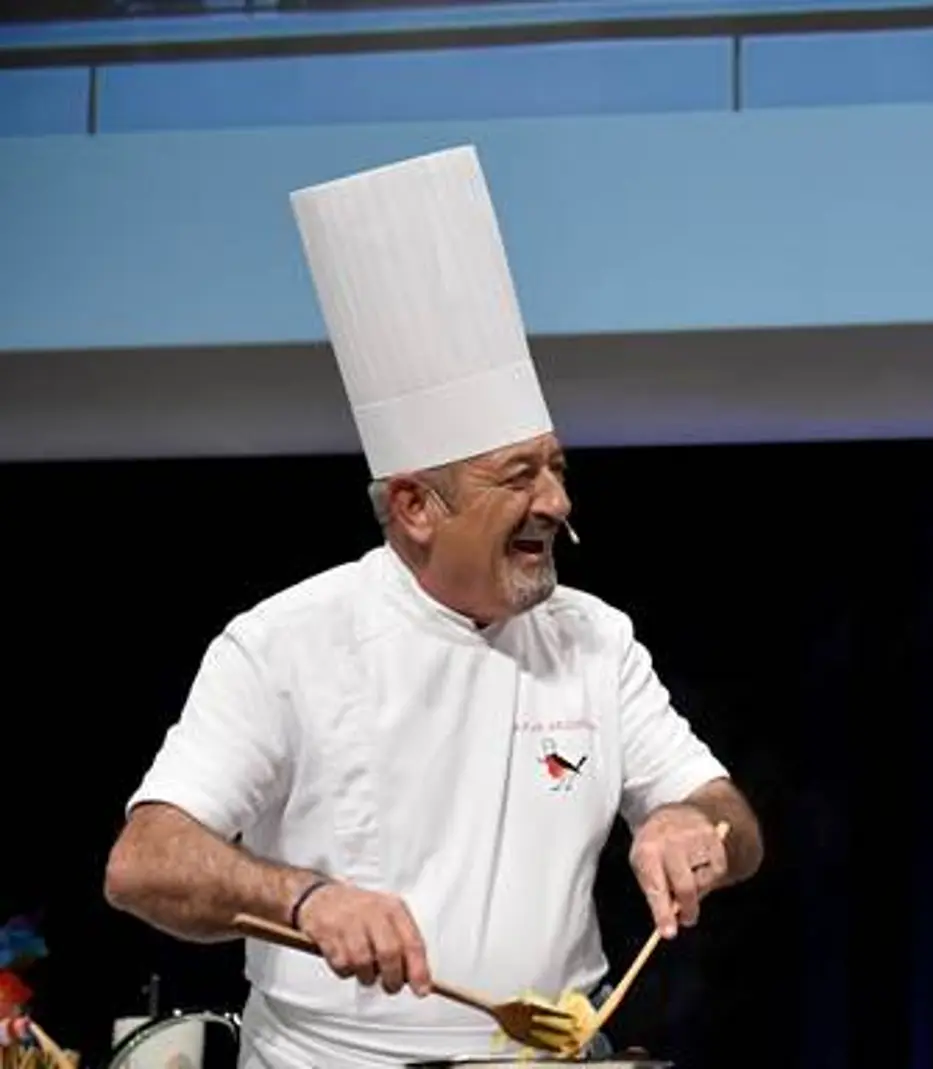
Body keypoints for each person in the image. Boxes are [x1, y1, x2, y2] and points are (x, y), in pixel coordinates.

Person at [102, 145, 763, 1069]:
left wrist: (695, 828)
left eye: (559, 468)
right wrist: (306, 899)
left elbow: (727, 811)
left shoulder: (596, 640)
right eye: (519, 476)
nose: (558, 503)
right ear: (415, 507)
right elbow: (145, 861)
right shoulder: (285, 642)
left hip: (554, 1056)